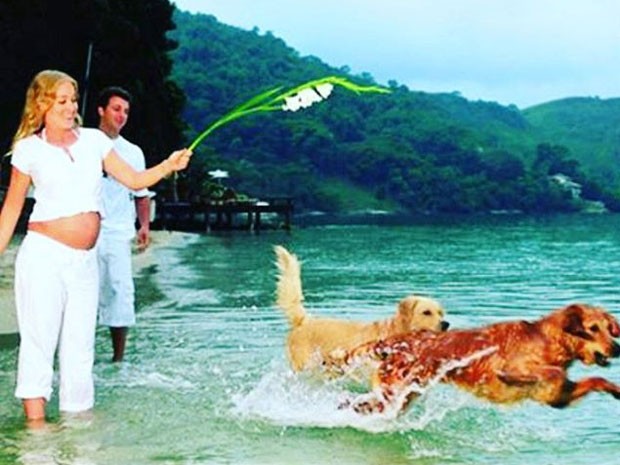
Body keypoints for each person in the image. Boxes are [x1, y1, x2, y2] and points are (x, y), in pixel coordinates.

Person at [0, 69, 192, 423]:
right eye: (62, 100)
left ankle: (78, 433)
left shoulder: (94, 142)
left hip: (84, 262)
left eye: (73, 99)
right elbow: (11, 208)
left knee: (80, 348)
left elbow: (135, 180)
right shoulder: (27, 150)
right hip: (44, 257)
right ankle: (37, 433)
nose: (71, 107)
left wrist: (168, 165)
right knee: (39, 343)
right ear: (42, 103)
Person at [96, 86, 151, 362]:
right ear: (101, 110)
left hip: (119, 232)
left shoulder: (133, 152)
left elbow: (142, 194)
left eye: (126, 111)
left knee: (120, 291)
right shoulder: (81, 143)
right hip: (86, 230)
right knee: (84, 292)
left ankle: (118, 359)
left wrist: (144, 226)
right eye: (116, 109)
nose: (122, 115)